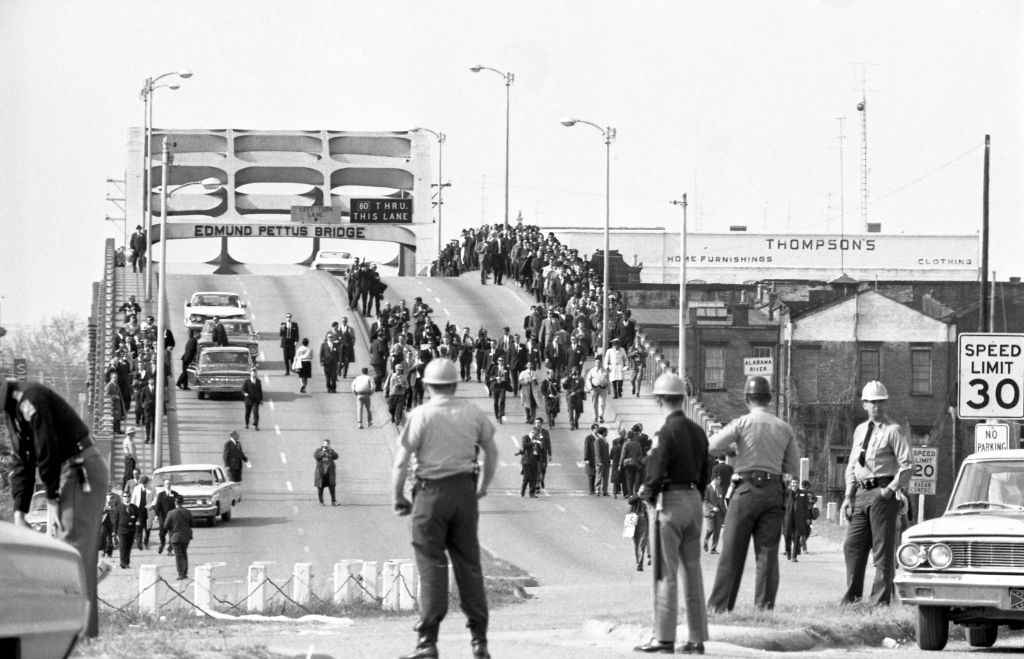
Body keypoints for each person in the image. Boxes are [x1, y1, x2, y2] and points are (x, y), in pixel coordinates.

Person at [391, 358, 498, 659]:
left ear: (426, 385)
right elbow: (491, 451)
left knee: (431, 565)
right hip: (464, 491)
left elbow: (401, 462)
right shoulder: (472, 413)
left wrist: (398, 496)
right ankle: (479, 639)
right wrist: (482, 486)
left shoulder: (421, 415)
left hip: (430, 493)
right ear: (454, 383)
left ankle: (428, 641)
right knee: (469, 564)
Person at [2, 377, 110, 637]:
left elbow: (45, 446)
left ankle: (74, 633)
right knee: (74, 554)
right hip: (71, 470)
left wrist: (51, 497)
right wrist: (20, 511)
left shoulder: (30, 398)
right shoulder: (12, 410)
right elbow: (21, 460)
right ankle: (82, 632)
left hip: (79, 467)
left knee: (71, 553)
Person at [706, 375, 801, 613]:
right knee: (767, 554)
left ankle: (720, 607)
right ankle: (764, 608)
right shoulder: (784, 428)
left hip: (746, 490)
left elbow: (711, 446)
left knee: (732, 551)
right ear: (769, 398)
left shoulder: (741, 424)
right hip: (773, 491)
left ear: (747, 399)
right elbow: (793, 467)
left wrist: (733, 450)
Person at [634, 373, 709, 655]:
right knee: (693, 571)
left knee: (666, 572)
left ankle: (664, 638)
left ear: (659, 398)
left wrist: (649, 496)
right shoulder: (699, 431)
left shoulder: (665, 433)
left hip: (670, 501)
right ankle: (697, 638)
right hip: (693, 500)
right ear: (683, 397)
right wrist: (696, 495)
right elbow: (706, 468)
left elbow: (655, 470)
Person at [839, 380, 912, 607]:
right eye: (872, 402)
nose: (877, 407)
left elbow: (908, 465)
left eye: (881, 402)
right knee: (852, 546)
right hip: (861, 493)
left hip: (882, 494)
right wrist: (848, 496)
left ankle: (879, 603)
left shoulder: (893, 430)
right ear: (864, 405)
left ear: (886, 403)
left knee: (882, 552)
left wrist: (890, 490)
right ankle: (852, 599)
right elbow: (853, 464)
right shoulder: (861, 430)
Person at [783, 478, 815, 562]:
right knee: (787, 535)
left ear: (798, 484)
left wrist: (808, 518)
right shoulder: (786, 493)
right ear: (791, 484)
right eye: (793, 483)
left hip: (799, 518)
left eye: (796, 483)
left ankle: (794, 556)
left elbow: (806, 507)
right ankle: (787, 550)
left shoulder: (803, 494)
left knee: (797, 536)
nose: (795, 484)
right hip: (787, 518)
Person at [164, 495, 194, 580]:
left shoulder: (171, 513)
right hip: (186, 537)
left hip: (175, 537)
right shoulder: (187, 512)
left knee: (178, 555)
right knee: (184, 554)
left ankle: (181, 573)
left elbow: (166, 525)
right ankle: (184, 572)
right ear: (182, 502)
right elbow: (193, 523)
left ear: (175, 502)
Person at [111, 492, 137, 570]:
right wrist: (114, 532)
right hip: (121, 531)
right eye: (125, 496)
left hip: (131, 530)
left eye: (128, 496)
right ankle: (123, 563)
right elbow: (115, 521)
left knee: (128, 547)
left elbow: (138, 516)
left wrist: (138, 522)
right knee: (122, 546)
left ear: (130, 497)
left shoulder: (134, 507)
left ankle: (127, 563)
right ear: (123, 498)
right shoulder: (118, 508)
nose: (127, 498)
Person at [154, 478, 179, 555]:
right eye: (166, 484)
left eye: (169, 484)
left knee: (172, 534)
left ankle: (170, 550)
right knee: (162, 533)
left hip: (172, 518)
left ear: (170, 485)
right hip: (163, 517)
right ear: (164, 485)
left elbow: (178, 505)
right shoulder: (161, 495)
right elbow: (157, 505)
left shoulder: (175, 494)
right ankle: (162, 544)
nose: (168, 485)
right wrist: (156, 515)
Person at [129, 474, 154, 549]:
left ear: (147, 483)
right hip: (139, 511)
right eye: (142, 484)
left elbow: (155, 498)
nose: (144, 485)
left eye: (145, 483)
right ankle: (139, 545)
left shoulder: (152, 488)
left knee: (147, 528)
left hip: (148, 511)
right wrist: (132, 511)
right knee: (139, 527)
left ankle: (146, 542)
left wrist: (151, 505)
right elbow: (133, 500)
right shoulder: (137, 488)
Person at [702, 475, 726, 554]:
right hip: (709, 512)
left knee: (718, 531)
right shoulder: (707, 488)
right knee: (711, 529)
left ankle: (713, 549)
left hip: (719, 513)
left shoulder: (720, 489)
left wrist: (725, 513)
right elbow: (705, 501)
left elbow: (722, 502)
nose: (720, 481)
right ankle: (705, 542)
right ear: (714, 480)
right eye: (719, 480)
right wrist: (712, 508)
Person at [314, 439, 340, 506]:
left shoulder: (331, 451)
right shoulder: (318, 451)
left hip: (330, 472)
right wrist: (323, 451)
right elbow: (317, 457)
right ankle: (321, 502)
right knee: (320, 487)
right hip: (321, 472)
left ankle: (333, 501)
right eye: (325, 444)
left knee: (332, 487)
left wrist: (331, 451)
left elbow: (336, 456)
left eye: (328, 444)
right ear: (322, 444)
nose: (326, 446)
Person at [594, 426, 611, 496]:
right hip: (600, 462)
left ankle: (605, 491)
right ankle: (597, 489)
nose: (607, 433)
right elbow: (598, 451)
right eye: (606, 431)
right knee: (599, 476)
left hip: (606, 462)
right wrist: (600, 461)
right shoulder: (598, 440)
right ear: (603, 432)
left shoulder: (605, 440)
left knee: (606, 477)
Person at [582, 424, 599, 494]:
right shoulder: (588, 438)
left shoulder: (598, 437)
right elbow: (586, 448)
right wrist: (586, 458)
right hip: (591, 458)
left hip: (597, 459)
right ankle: (591, 490)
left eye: (598, 428)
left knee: (597, 474)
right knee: (591, 474)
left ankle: (597, 488)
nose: (597, 430)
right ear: (592, 429)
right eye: (596, 429)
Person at [140, 379, 157, 443]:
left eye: (153, 380)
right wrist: (143, 405)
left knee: (155, 423)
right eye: (150, 380)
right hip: (147, 408)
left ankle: (153, 438)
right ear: (148, 381)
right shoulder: (145, 389)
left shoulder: (157, 388)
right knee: (147, 422)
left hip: (155, 408)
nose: (152, 381)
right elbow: (141, 399)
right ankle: (147, 437)